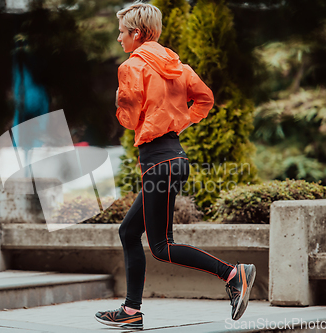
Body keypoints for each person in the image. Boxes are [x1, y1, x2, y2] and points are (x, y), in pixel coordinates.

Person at [94, 2, 256, 330]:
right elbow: (206, 99)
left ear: (136, 34)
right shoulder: (177, 65)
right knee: (128, 231)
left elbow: (129, 119)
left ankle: (232, 274)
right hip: (174, 158)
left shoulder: (131, 67)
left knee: (162, 246)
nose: (119, 38)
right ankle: (131, 311)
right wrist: (178, 124)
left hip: (159, 162)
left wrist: (119, 103)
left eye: (122, 32)